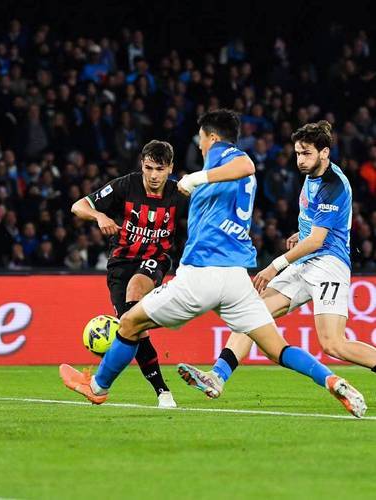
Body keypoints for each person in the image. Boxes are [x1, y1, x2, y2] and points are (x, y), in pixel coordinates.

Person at [59, 110, 366, 418]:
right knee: (277, 349)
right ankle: (331, 380)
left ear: (214, 138)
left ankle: (97, 387)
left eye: (202, 139)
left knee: (129, 323)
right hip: (236, 279)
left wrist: (197, 178)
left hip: (202, 275)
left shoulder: (224, 158)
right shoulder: (233, 177)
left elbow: (245, 164)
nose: (201, 146)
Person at [178, 120, 376, 398]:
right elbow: (318, 226)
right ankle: (217, 376)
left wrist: (274, 266)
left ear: (324, 152)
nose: (300, 160)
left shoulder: (333, 184)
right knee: (253, 313)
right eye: (298, 153)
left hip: (329, 265)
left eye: (306, 153)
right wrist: (302, 233)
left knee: (333, 344)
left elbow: (318, 241)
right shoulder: (312, 174)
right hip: (306, 261)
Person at [70, 140, 186, 408]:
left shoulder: (180, 192)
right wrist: (99, 216)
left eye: (160, 169)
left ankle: (106, 384)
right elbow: (78, 206)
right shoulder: (125, 185)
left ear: (170, 168)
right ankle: (162, 392)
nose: (154, 175)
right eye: (149, 168)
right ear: (142, 165)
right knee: (132, 327)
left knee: (136, 291)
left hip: (155, 259)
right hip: (120, 264)